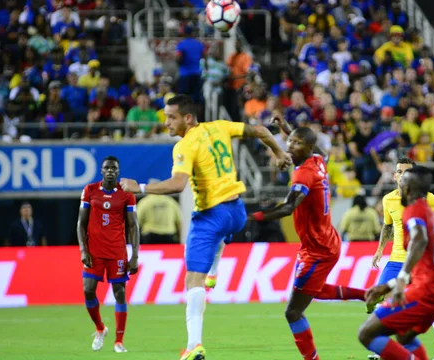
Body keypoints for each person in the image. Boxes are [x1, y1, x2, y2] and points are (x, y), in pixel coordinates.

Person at [119, 94, 292, 360]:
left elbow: (177, 185)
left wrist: (139, 187)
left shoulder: (184, 146)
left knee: (192, 280)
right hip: (237, 211)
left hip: (211, 215)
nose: (166, 123)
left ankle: (194, 345)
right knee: (219, 239)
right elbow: (259, 130)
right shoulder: (220, 125)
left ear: (188, 118)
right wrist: (279, 153)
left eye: (171, 117)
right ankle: (213, 271)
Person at [246, 116, 367, 360]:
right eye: (289, 142)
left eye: (296, 143)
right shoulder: (318, 160)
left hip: (318, 249)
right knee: (316, 291)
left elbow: (287, 208)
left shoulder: (304, 175)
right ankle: (368, 295)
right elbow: (318, 149)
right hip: (324, 241)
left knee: (293, 312)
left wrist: (249, 217)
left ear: (307, 149)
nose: (290, 146)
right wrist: (286, 128)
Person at [359, 166, 434, 360]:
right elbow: (424, 266)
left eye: (404, 183)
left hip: (427, 292)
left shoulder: (415, 211)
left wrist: (401, 279)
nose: (400, 184)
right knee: (403, 335)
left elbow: (419, 240)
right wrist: (389, 284)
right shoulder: (431, 217)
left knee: (367, 333)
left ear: (411, 189)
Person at [76, 156, 140, 353]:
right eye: (107, 168)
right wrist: (83, 249)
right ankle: (100, 328)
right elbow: (81, 223)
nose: (110, 171)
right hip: (94, 251)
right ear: (101, 171)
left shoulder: (126, 194)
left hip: (117, 251)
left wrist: (135, 255)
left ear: (118, 172)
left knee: (120, 293)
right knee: (88, 290)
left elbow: (133, 226)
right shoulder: (90, 190)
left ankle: (119, 341)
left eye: (114, 168)